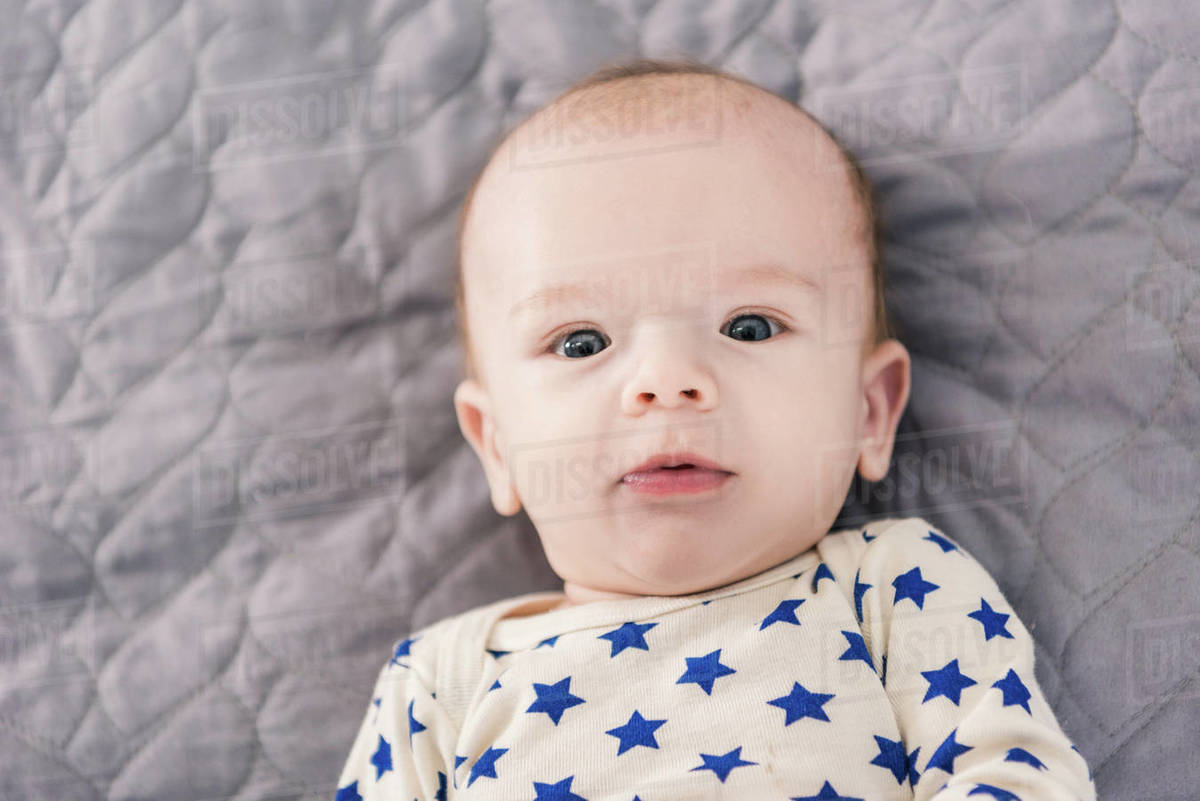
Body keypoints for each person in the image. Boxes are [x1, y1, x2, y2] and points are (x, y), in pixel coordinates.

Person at [333, 57, 1095, 801]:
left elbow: (1021, 777)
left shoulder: (898, 589)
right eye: (581, 342)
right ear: (496, 444)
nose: (667, 380)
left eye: (750, 326)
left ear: (868, 411)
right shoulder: (438, 685)